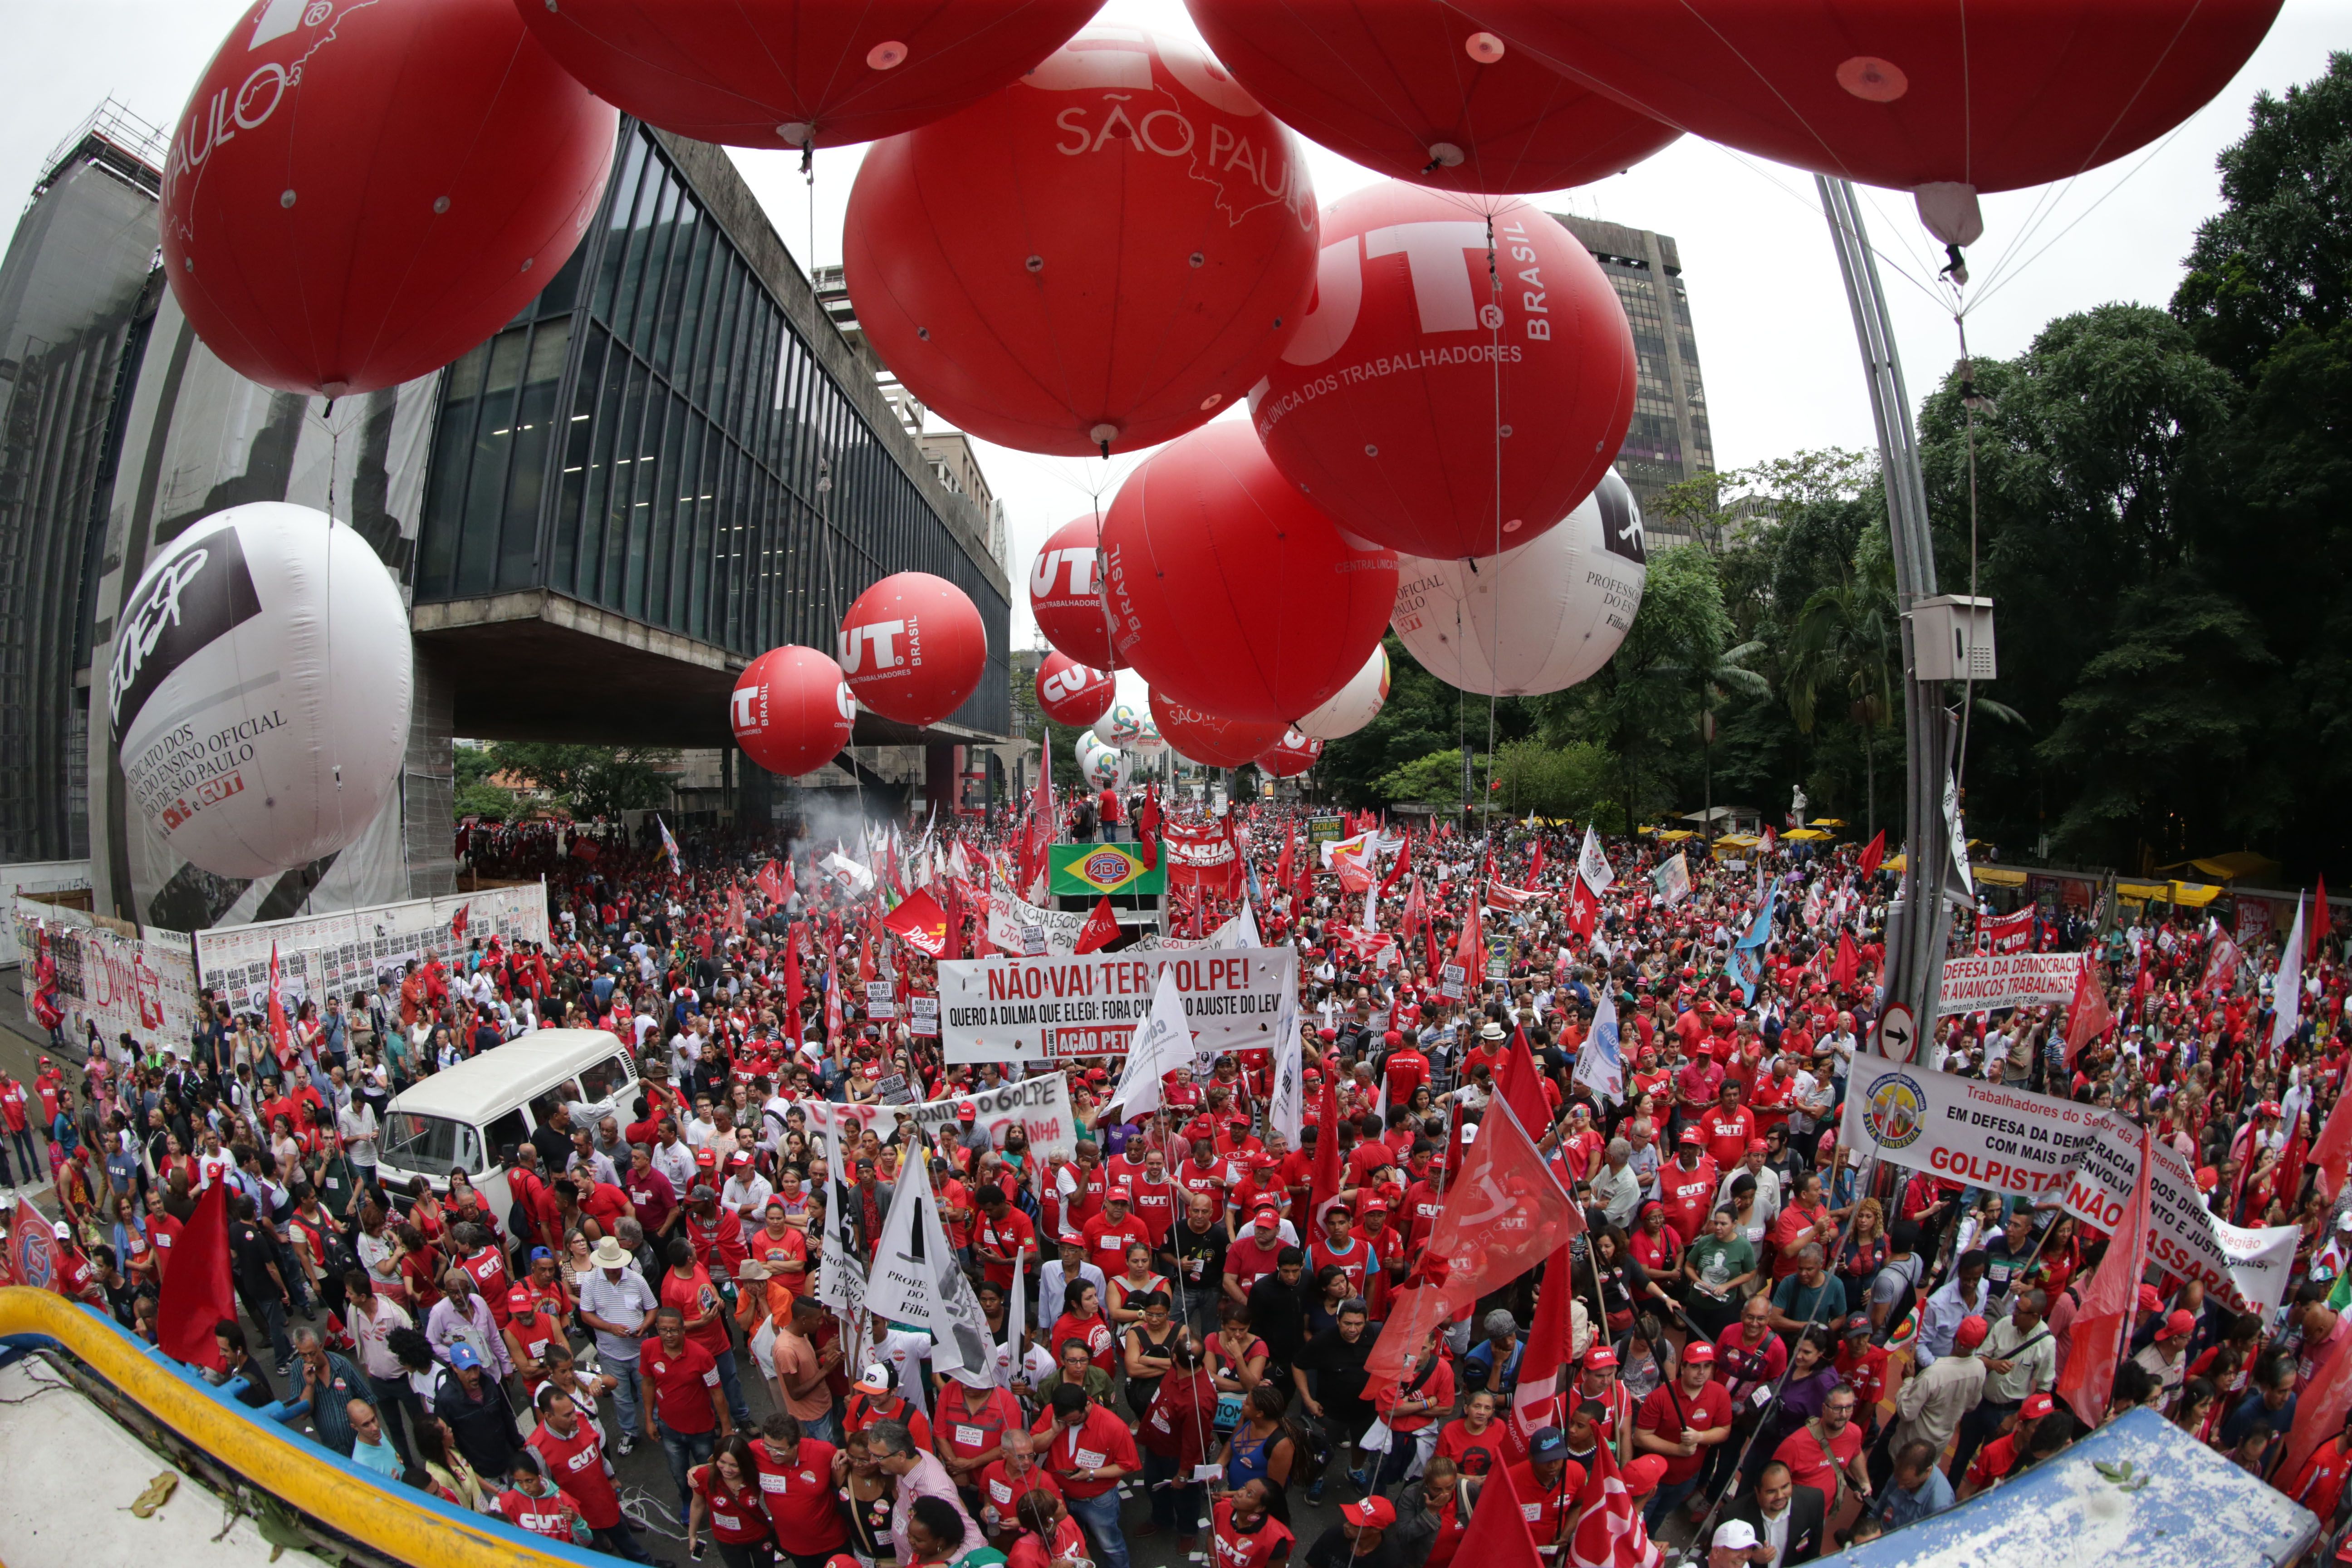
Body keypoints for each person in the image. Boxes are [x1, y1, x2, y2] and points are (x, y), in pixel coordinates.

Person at [644, 1303, 735, 1522]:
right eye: (663, 1330)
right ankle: (688, 1501)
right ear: (657, 1329)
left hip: (702, 1430)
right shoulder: (648, 1348)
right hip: (669, 1428)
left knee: (710, 1471)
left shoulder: (703, 1356)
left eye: (674, 1330)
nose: (668, 1335)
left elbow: (717, 1394)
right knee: (679, 1472)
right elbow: (648, 1384)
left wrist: (726, 1429)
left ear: (683, 1330)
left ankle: (716, 1503)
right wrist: (649, 1419)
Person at [1038, 1380, 1139, 1568]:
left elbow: (1128, 1466)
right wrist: (1054, 1431)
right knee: (1072, 1541)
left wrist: (1092, 1473)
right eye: (1065, 1422)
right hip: (1059, 1496)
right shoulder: (1054, 1415)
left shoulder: (1114, 1427)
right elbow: (1035, 1446)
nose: (1070, 1424)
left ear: (1087, 1405)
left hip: (1097, 1501)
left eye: (1074, 1421)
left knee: (1111, 1546)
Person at [578, 1234, 658, 1456]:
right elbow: (586, 1315)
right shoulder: (591, 1282)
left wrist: (644, 1326)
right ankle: (630, 1431)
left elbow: (652, 1308)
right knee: (621, 1397)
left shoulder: (636, 1280)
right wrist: (610, 1327)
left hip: (640, 1350)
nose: (614, 1270)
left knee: (647, 1391)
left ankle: (655, 1422)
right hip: (610, 1353)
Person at [1636, 1341, 1732, 1527]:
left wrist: (1700, 1437)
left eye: (1707, 1366)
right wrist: (1678, 1450)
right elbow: (1641, 1437)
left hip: (1688, 1479)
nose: (1702, 1372)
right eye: (1696, 1366)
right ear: (1683, 1367)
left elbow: (1724, 1431)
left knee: (1659, 1517)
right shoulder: (1661, 1397)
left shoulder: (1719, 1394)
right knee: (1639, 1522)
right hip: (1654, 1481)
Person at [873, 1417, 984, 1568]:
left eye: (879, 1457)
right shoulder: (912, 1457)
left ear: (901, 1456)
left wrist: (948, 1565)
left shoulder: (935, 1490)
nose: (873, 1461)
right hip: (908, 1560)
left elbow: (975, 1538)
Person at [1718, 1459, 1828, 1566]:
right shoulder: (1732, 1515)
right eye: (1771, 1491)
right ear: (1757, 1491)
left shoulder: (1813, 1502)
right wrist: (1752, 1558)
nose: (1780, 1496)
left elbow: (1812, 1557)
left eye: (1785, 1487)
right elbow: (1715, 1559)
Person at [691, 1435, 777, 1568]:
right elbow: (697, 1506)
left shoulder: (756, 1474)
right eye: (722, 1462)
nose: (727, 1469)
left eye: (734, 1465)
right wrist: (692, 1535)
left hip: (760, 1537)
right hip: (728, 1542)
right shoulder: (703, 1476)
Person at [1301, 1494, 1403, 1568]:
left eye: (1356, 1525)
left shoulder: (1391, 1560)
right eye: (1349, 1520)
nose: (1346, 1526)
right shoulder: (1333, 1535)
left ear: (1376, 1530)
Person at [1212, 1478, 1295, 1568]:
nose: (1239, 1493)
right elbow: (1211, 1537)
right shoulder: (1222, 1508)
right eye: (1244, 1487)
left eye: (1249, 1494)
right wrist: (1213, 1563)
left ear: (1259, 1508)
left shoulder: (1275, 1540)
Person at [1874, 1440, 1955, 1530]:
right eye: (1897, 1479)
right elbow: (1877, 1511)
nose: (1900, 1486)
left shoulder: (1939, 1506)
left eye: (1907, 1483)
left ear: (1927, 1472)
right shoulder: (1903, 1472)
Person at [348, 1399, 405, 1480]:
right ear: (355, 1428)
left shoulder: (376, 1433)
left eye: (373, 1420)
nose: (375, 1428)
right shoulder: (362, 1464)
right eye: (366, 1425)